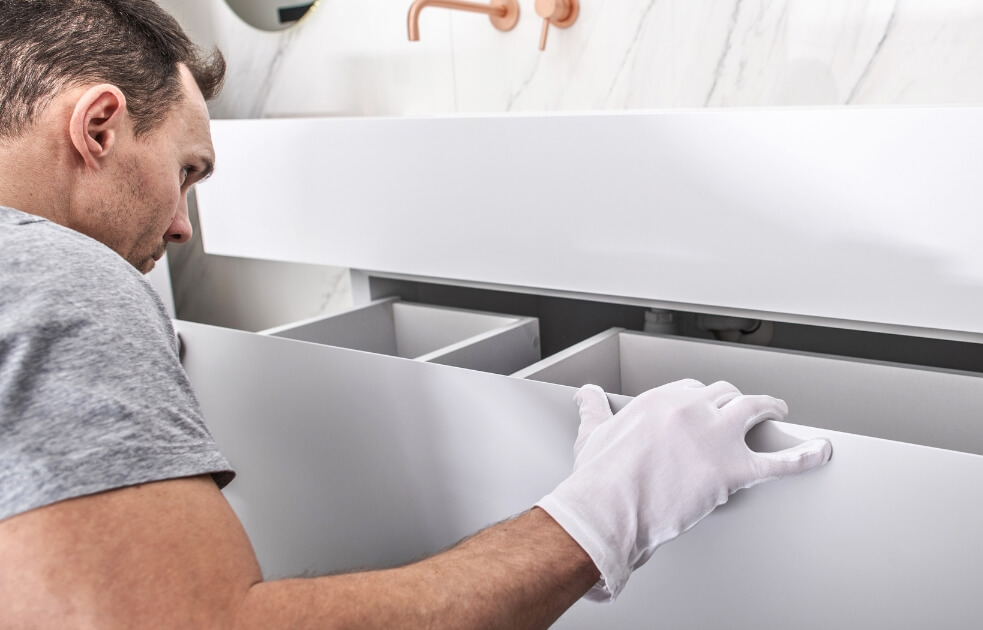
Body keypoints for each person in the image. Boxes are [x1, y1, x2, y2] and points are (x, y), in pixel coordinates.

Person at [0, 1, 833, 627]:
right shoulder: (61, 276)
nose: (183, 225)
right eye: (187, 169)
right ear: (100, 127)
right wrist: (605, 511)